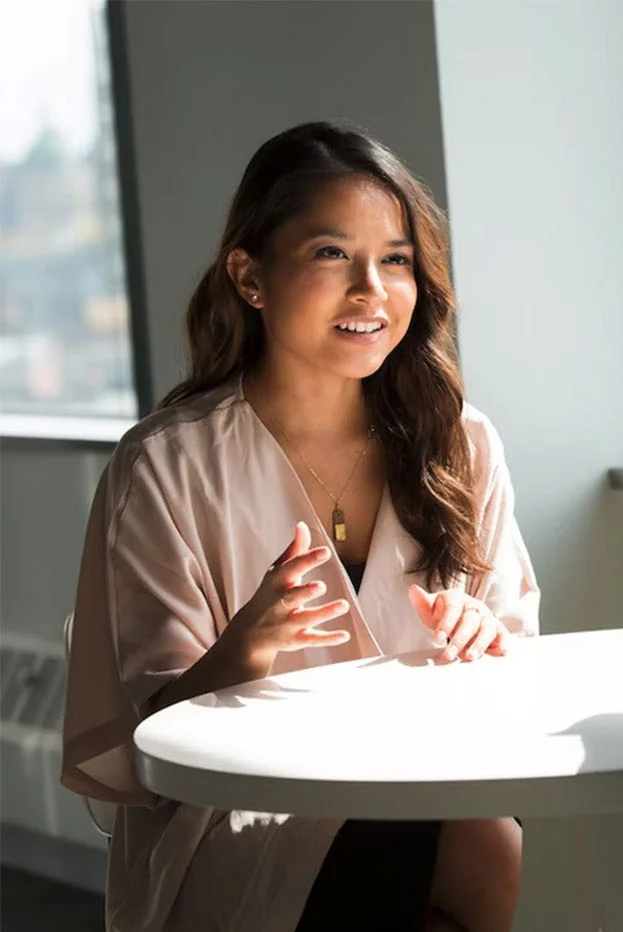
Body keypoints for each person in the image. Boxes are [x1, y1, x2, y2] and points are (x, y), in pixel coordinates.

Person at [61, 122, 538, 932]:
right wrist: (242, 649)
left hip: (432, 787)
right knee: (482, 844)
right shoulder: (165, 468)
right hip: (236, 826)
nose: (372, 291)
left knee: (487, 833)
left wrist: (482, 635)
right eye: (331, 255)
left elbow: (521, 667)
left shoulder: (460, 442)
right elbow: (150, 752)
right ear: (250, 276)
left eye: (395, 259)